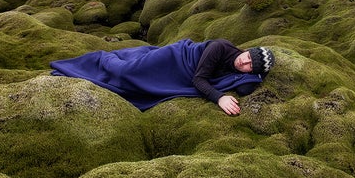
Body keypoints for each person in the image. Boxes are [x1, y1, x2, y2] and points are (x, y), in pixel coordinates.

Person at [50, 38, 274, 115]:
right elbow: (199, 80)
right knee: (126, 71)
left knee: (138, 89)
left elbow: (246, 88)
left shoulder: (243, 72)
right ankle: (101, 59)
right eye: (247, 57)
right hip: (175, 58)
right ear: (245, 50)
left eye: (249, 66)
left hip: (182, 74)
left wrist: (256, 75)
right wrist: (220, 97)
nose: (244, 63)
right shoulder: (221, 47)